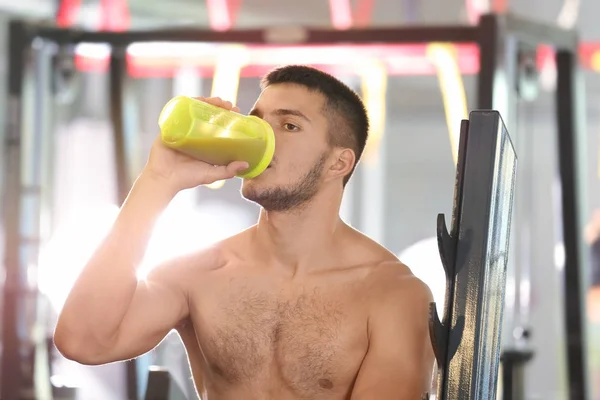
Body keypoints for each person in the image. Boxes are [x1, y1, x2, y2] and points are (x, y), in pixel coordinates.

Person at [54, 65, 435, 400]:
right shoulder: (201, 274)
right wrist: (157, 182)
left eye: (289, 125)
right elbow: (84, 340)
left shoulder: (393, 294)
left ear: (339, 162)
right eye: (258, 121)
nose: (263, 137)